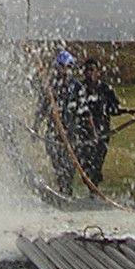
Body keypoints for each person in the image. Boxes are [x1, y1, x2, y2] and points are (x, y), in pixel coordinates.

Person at [39, 50, 87, 191]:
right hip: (54, 132)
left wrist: (92, 131)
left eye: (67, 67)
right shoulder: (50, 86)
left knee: (70, 164)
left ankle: (67, 188)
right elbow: (42, 108)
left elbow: (85, 111)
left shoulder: (77, 87)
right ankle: (62, 185)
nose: (64, 70)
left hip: (72, 132)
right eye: (61, 66)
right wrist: (36, 126)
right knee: (57, 162)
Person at [78, 58, 124, 189]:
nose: (89, 73)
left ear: (98, 72)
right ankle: (89, 185)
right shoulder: (80, 89)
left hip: (102, 132)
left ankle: (94, 190)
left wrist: (122, 111)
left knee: (97, 162)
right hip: (84, 132)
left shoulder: (105, 89)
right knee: (85, 162)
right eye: (86, 70)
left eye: (92, 70)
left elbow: (114, 107)